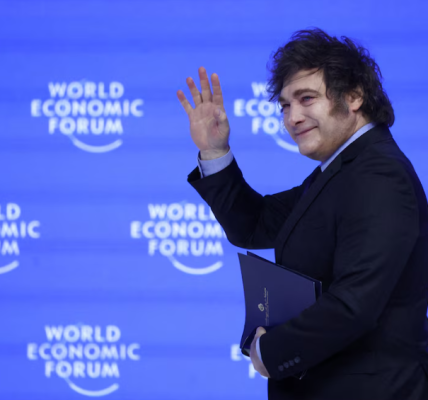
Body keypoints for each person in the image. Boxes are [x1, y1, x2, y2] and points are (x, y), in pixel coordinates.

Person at [177, 28, 428, 400]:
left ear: (354, 96)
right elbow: (254, 224)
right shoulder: (344, 169)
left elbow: (354, 305)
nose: (292, 118)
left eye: (306, 98)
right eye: (284, 106)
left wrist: (270, 352)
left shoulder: (378, 174)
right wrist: (215, 151)